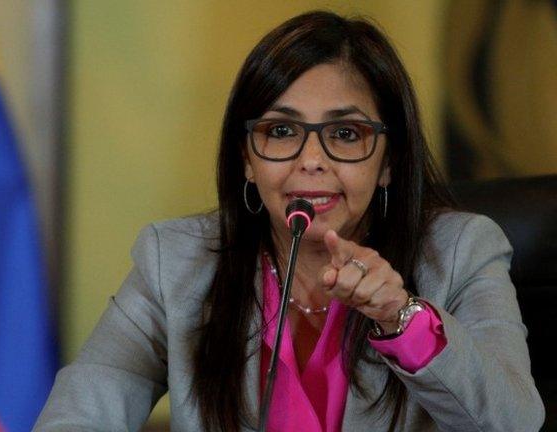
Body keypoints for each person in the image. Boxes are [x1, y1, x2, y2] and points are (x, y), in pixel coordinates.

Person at [34, 11, 544, 432]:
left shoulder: (461, 252)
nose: (311, 160)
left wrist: (400, 316)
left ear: (389, 161)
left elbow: (513, 423)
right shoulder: (175, 259)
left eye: (345, 134)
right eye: (282, 131)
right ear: (247, 161)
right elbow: (82, 408)